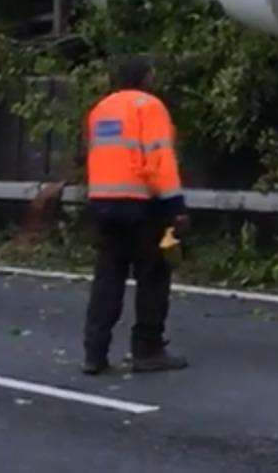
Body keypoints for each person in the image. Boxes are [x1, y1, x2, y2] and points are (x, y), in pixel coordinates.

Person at [80, 57, 188, 375]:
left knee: (108, 278)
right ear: (145, 78)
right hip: (142, 206)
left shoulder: (100, 110)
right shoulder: (149, 106)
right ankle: (147, 350)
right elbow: (159, 161)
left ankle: (94, 353)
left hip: (102, 203)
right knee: (153, 277)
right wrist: (176, 207)